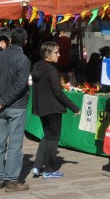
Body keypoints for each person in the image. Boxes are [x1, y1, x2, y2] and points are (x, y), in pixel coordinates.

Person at [0, 28, 31, 192]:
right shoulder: (23, 59)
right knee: (14, 144)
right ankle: (11, 180)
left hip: (0, 107)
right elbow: (20, 86)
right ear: (25, 41)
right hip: (15, 106)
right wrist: (1, 101)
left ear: (10, 40)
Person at [30, 42, 80, 179]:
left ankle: (37, 166)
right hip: (53, 108)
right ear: (47, 55)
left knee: (46, 137)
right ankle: (49, 169)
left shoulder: (37, 67)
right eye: (56, 52)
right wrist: (74, 107)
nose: (59, 55)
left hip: (42, 108)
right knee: (53, 139)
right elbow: (58, 93)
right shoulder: (51, 71)